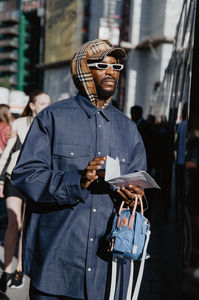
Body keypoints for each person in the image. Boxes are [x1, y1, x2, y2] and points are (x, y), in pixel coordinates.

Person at [11, 39, 147, 300]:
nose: (111, 71)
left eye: (115, 65)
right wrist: (78, 180)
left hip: (109, 273)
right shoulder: (52, 118)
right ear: (83, 70)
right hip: (56, 269)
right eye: (101, 65)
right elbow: (26, 175)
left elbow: (140, 188)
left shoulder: (128, 130)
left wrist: (135, 195)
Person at [0, 91, 51, 292]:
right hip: (15, 178)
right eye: (42, 103)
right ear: (32, 105)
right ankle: (7, 270)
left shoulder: (51, 125)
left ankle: (20, 269)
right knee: (14, 223)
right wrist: (0, 180)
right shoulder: (19, 125)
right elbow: (6, 153)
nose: (46, 106)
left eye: (49, 103)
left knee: (27, 227)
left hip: (36, 182)